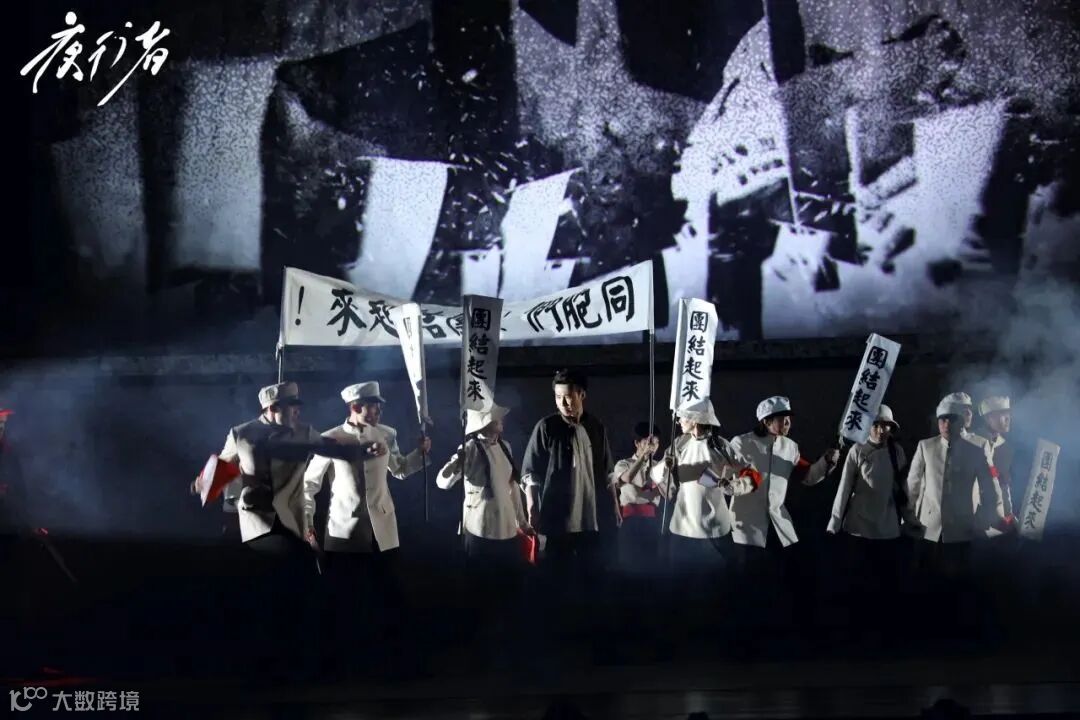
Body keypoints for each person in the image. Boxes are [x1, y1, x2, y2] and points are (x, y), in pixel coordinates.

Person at [301, 381, 430, 674]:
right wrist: (308, 525)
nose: (378, 411)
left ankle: (392, 662)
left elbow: (399, 469)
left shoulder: (387, 433)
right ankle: (344, 663)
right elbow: (308, 485)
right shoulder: (330, 439)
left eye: (379, 406)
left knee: (389, 596)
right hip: (345, 530)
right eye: (373, 406)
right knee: (345, 600)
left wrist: (419, 454)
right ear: (355, 407)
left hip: (382, 528)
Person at [521, 368, 618, 661]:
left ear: (581, 395)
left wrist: (614, 506)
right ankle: (554, 642)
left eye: (569, 396)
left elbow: (608, 473)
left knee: (592, 577)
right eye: (558, 397)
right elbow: (531, 472)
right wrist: (532, 506)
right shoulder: (547, 427)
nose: (564, 403)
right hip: (557, 517)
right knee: (556, 579)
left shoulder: (596, 426)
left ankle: (591, 641)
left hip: (591, 518)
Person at [727, 396, 840, 647]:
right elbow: (730, 477)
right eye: (782, 419)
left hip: (779, 524)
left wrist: (826, 461)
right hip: (748, 525)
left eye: (789, 419)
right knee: (748, 584)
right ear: (766, 421)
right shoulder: (741, 443)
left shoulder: (790, 447)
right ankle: (744, 640)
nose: (787, 423)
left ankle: (785, 637)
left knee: (787, 580)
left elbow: (808, 476)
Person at [652, 399, 760, 653]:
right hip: (683, 524)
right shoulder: (679, 443)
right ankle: (673, 640)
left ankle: (734, 638)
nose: (679, 420)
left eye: (683, 416)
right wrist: (666, 466)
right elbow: (658, 478)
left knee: (728, 581)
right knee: (676, 583)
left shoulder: (721, 445)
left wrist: (733, 486)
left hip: (715, 525)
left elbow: (752, 473)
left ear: (697, 419)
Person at [903, 397, 1011, 643]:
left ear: (961, 421)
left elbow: (991, 487)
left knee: (960, 584)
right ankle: (929, 636)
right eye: (942, 419)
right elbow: (913, 484)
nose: (946, 424)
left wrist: (986, 519)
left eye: (951, 419)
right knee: (928, 583)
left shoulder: (978, 447)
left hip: (963, 529)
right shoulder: (926, 446)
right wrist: (909, 517)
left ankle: (961, 637)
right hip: (929, 528)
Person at [435, 403, 530, 665]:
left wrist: (522, 522)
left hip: (507, 529)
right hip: (480, 530)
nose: (502, 423)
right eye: (497, 419)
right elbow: (442, 482)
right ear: (485, 423)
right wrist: (457, 463)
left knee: (507, 589)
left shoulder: (505, 447)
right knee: (480, 591)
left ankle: (506, 645)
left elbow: (513, 488)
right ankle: (479, 649)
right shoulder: (469, 449)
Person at [825, 404, 911, 646]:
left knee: (887, 585)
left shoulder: (897, 452)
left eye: (886, 426)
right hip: (859, 527)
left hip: (888, 525)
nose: (881, 430)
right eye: (876, 425)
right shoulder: (857, 450)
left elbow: (905, 490)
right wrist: (834, 522)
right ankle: (857, 635)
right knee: (859, 584)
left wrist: (910, 519)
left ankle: (885, 635)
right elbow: (844, 488)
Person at [610, 421, 663, 575]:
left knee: (651, 565)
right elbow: (626, 478)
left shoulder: (660, 466)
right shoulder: (624, 464)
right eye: (648, 443)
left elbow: (668, 493)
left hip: (652, 521)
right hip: (630, 521)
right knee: (629, 564)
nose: (652, 447)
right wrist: (642, 458)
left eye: (656, 443)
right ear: (637, 443)